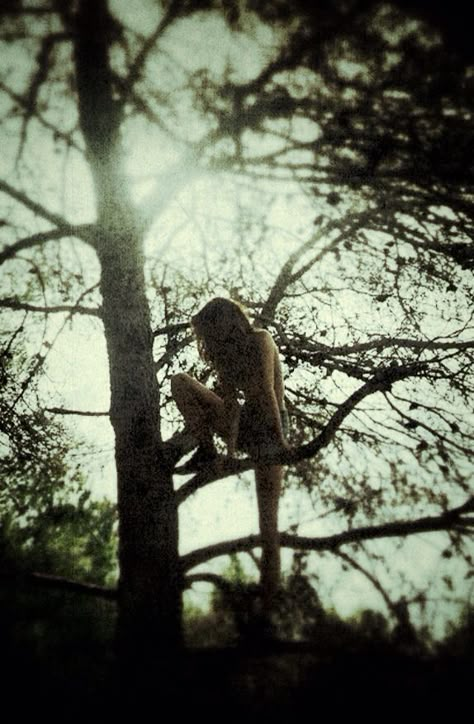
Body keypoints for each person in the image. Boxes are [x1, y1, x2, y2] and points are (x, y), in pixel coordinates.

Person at [171, 297, 290, 618]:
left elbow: (266, 394)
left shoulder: (261, 339)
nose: (208, 338)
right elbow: (232, 408)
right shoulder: (226, 355)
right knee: (180, 382)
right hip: (247, 427)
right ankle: (205, 451)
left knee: (269, 526)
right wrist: (229, 453)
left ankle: (268, 612)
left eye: (211, 328)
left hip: (270, 427)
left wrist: (280, 444)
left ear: (228, 319)